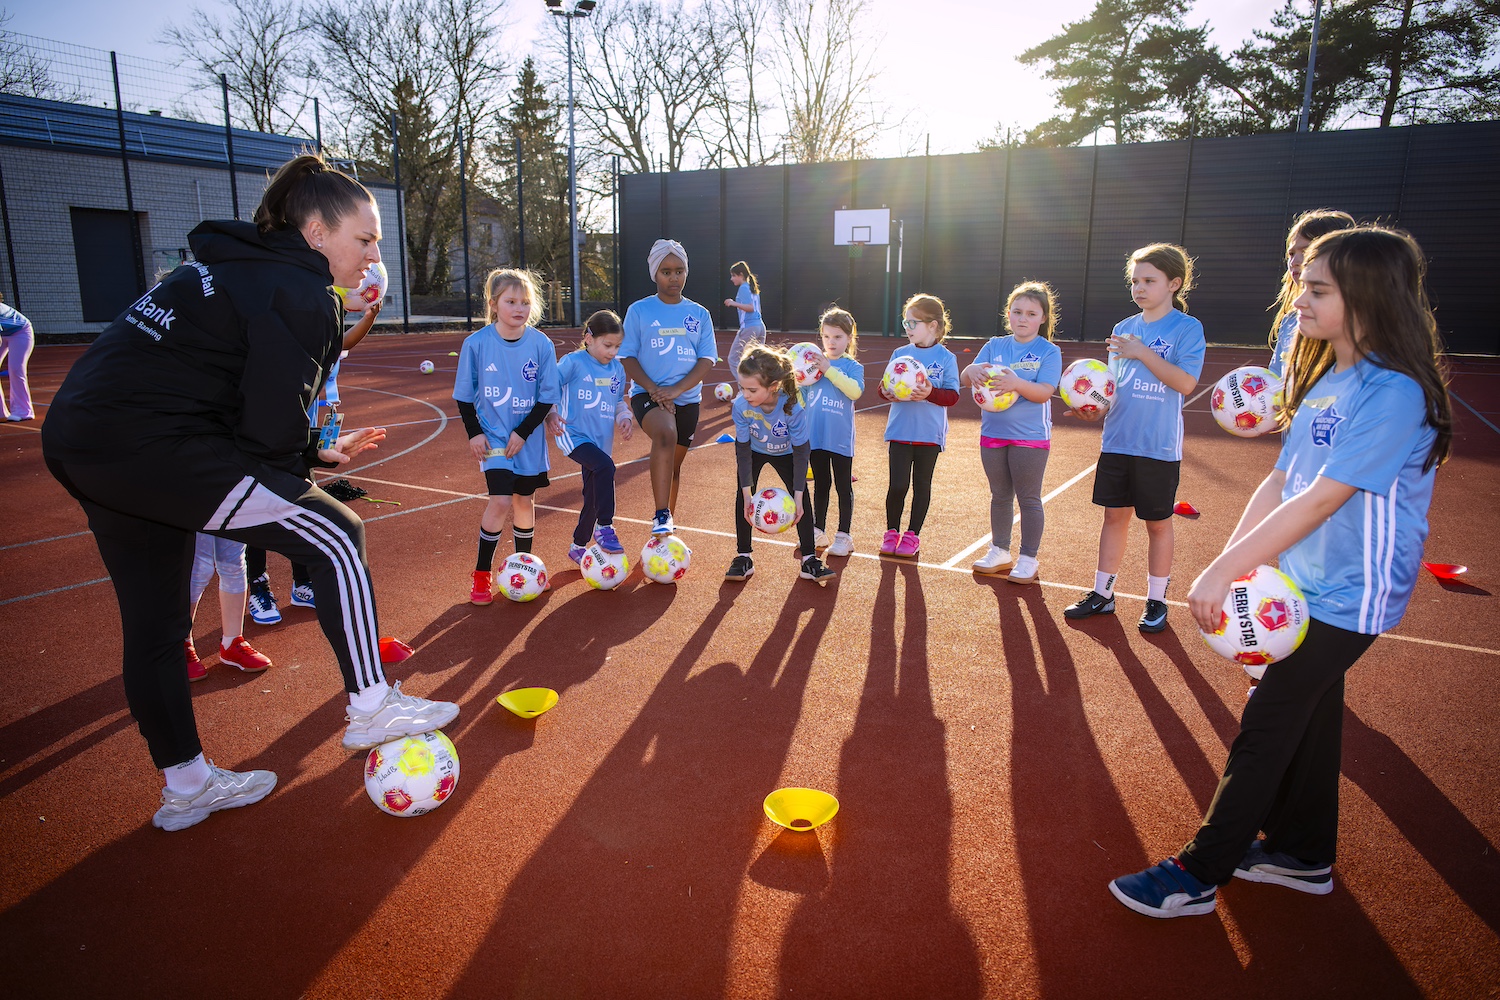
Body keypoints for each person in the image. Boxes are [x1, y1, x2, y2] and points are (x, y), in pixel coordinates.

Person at [41, 153, 459, 832]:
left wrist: (313, 450)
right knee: (336, 532)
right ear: (317, 233)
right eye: (366, 238)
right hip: (149, 442)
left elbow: (240, 402)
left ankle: (186, 786)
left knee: (155, 626)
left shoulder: (238, 267)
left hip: (86, 438)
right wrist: (302, 469)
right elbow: (266, 440)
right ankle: (372, 704)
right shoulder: (299, 289)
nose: (376, 255)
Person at [1108, 226, 1452, 918]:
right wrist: (1233, 566)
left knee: (1268, 722)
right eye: (1302, 283)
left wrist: (1226, 571)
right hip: (1304, 583)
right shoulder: (1332, 378)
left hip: (1353, 593)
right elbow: (1283, 479)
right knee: (1312, 715)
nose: (1299, 296)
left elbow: (1327, 496)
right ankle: (1303, 855)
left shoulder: (1393, 392)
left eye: (1318, 288)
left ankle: (1200, 872)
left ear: (1368, 297)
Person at [1063, 244, 1205, 632]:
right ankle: (1103, 594)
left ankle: (1157, 600)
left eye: (1149, 281)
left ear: (1174, 284)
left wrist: (1143, 352)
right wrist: (1093, 408)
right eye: (1134, 281)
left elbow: (1186, 382)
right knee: (1114, 518)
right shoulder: (1123, 328)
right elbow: (1114, 387)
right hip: (1118, 440)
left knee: (1158, 523)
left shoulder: (1186, 329)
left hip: (1157, 445)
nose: (1139, 288)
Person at [247, 297, 383, 623]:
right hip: (262, 441)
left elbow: (344, 341)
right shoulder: (272, 344)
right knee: (254, 514)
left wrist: (369, 317)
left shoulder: (320, 336)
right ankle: (257, 585)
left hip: (302, 438)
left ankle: (302, 583)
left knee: (303, 501)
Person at [454, 268, 561, 605]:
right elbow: (464, 394)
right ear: (494, 304)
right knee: (500, 500)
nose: (519, 308)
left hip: (527, 439)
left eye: (525, 302)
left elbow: (547, 396)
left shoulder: (541, 344)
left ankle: (525, 568)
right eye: (511, 301)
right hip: (493, 437)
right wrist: (474, 434)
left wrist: (524, 431)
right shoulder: (476, 344)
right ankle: (482, 575)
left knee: (523, 502)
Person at [960, 281, 1064, 584]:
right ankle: (999, 550)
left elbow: (1044, 391)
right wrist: (971, 371)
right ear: (1009, 313)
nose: (1023, 318)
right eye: (1017, 312)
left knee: (1029, 498)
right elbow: (969, 375)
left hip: (1029, 437)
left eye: (1031, 313)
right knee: (1000, 496)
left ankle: (1028, 557)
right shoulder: (995, 345)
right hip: (993, 433)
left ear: (1042, 318)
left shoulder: (1048, 351)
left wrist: (1016, 384)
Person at [620, 239, 718, 536]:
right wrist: (653, 389)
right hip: (647, 396)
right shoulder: (639, 311)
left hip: (686, 399)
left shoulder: (699, 314)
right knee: (665, 433)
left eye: (679, 271)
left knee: (673, 467)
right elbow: (627, 356)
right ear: (655, 273)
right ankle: (661, 514)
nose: (673, 278)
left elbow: (706, 359)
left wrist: (676, 390)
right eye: (666, 272)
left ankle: (666, 533)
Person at [726, 345, 836, 584]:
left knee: (802, 497)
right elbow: (742, 451)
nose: (745, 394)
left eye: (752, 389)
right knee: (742, 497)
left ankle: (809, 559)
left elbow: (801, 452)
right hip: (754, 451)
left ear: (773, 386)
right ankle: (743, 557)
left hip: (787, 452)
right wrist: (747, 494)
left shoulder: (792, 407)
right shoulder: (741, 406)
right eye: (742, 388)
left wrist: (796, 496)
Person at [546, 309, 634, 565]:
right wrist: (550, 413)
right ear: (589, 338)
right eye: (607, 345)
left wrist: (624, 417)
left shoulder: (617, 370)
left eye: (617, 346)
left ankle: (578, 545)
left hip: (601, 441)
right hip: (572, 434)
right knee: (606, 467)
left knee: (593, 495)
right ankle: (605, 527)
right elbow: (549, 385)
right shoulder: (573, 363)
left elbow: (618, 401)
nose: (612, 352)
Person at [878, 293, 960, 558]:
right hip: (900, 431)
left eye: (913, 323)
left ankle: (912, 535)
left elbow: (952, 396)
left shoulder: (946, 358)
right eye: (906, 323)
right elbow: (884, 386)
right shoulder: (899, 354)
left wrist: (930, 393)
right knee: (898, 485)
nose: (908, 328)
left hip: (929, 434)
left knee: (921, 485)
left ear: (933, 325)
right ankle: (891, 531)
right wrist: (886, 393)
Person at [804, 306, 864, 558]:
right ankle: (819, 530)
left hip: (839, 438)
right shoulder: (812, 365)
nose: (831, 342)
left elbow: (855, 391)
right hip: (816, 436)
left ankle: (844, 535)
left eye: (838, 337)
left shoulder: (852, 366)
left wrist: (829, 369)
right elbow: (803, 398)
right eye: (827, 337)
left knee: (842, 484)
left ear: (849, 338)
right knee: (821, 484)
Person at [1268, 210, 1356, 379]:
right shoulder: (1290, 320)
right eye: (1291, 254)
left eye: (1306, 251)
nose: (1295, 262)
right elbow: (1276, 377)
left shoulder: (1356, 326)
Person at [185, 535, 272, 680]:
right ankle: (182, 644)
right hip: (194, 512)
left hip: (227, 511)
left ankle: (232, 643)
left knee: (233, 563)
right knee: (199, 567)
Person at [724, 260, 766, 374]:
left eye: (733, 276)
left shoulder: (743, 288)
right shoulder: (753, 288)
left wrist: (733, 303)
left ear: (741, 275)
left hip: (750, 327)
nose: (731, 279)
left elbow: (750, 307)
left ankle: (744, 387)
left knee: (733, 359)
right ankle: (760, 387)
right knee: (756, 361)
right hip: (760, 326)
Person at [0, 293, 34, 421]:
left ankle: (24, 411)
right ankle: (1, 412)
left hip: (21, 332)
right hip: (3, 333)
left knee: (15, 369)